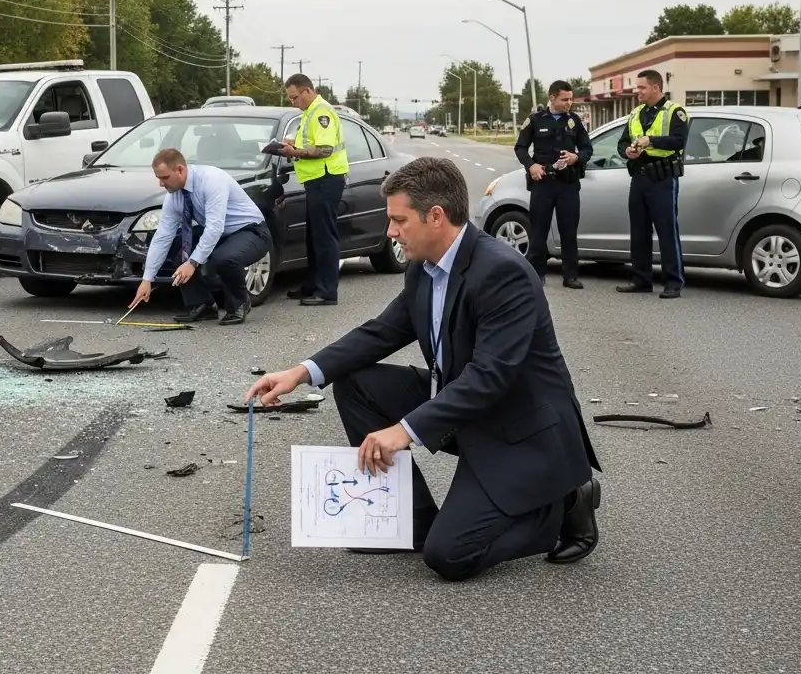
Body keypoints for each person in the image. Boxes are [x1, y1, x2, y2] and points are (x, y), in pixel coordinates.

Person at [244, 156, 603, 582]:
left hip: (517, 430)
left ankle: (562, 503)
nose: (391, 232)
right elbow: (382, 332)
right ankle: (408, 521)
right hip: (463, 407)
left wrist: (404, 430)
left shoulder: (503, 273)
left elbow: (489, 378)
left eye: (399, 220)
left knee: (451, 557)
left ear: (435, 217)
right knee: (356, 384)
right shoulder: (423, 267)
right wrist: (301, 372)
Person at [129, 148, 272, 325]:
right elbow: (163, 236)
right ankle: (203, 305)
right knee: (180, 253)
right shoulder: (174, 196)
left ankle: (239, 303)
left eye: (164, 178)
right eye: (158, 178)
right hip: (221, 234)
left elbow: (214, 227)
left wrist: (193, 263)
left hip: (252, 231)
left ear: (180, 169)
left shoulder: (212, 180)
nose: (161, 184)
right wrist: (147, 280)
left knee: (225, 258)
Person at [615, 69, 689, 299]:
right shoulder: (636, 113)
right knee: (639, 231)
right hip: (639, 178)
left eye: (641, 88)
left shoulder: (675, 112)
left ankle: (673, 282)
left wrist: (651, 140)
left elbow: (679, 141)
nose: (637, 92)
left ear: (655, 87)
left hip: (662, 178)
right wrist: (627, 151)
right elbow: (622, 141)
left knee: (667, 231)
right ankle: (641, 279)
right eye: (637, 88)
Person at [514, 80, 593, 289]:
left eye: (571, 99)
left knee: (569, 231)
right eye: (564, 99)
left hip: (568, 184)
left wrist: (576, 157)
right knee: (538, 231)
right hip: (543, 184)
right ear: (552, 98)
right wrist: (531, 166)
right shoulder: (535, 120)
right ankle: (537, 274)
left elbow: (587, 148)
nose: (569, 103)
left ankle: (571, 276)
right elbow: (520, 148)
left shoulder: (574, 121)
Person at [280, 74, 347, 307]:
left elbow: (325, 149)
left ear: (307, 91)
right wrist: (294, 147)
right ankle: (312, 285)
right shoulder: (309, 113)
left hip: (326, 177)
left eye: (294, 97)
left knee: (324, 236)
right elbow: (310, 145)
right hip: (316, 180)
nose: (292, 103)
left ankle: (327, 291)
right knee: (313, 236)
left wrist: (294, 153)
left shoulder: (321, 112)